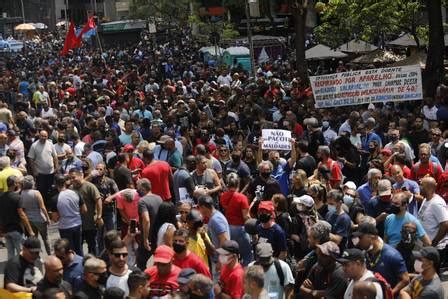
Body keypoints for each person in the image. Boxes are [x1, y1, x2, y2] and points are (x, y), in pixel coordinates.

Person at [352, 222, 409, 295]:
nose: (358, 241)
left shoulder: (392, 255)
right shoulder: (364, 254)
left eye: (360, 237)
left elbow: (405, 279)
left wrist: (390, 294)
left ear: (372, 237)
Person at [220, 172, 253, 266]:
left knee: (231, 255)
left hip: (228, 229)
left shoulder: (223, 196)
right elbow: (246, 217)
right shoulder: (242, 198)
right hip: (240, 229)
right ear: (238, 183)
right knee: (247, 256)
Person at [69, 167, 103, 255]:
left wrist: (99, 216)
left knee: (92, 245)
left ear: (81, 176)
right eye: (70, 178)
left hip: (90, 223)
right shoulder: (71, 189)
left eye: (73, 177)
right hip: (76, 224)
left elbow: (98, 200)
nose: (72, 180)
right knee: (77, 246)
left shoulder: (89, 187)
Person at [52, 174, 86, 256]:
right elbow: (84, 210)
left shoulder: (55, 199)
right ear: (65, 183)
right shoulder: (76, 193)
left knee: (69, 251)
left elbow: (55, 219)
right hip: (77, 224)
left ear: (56, 184)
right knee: (79, 248)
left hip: (65, 227)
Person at [418, 176, 448, 265]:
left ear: (429, 188)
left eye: (421, 185)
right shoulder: (426, 199)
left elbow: (445, 224)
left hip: (435, 248)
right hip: (426, 246)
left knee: (433, 276)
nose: (419, 187)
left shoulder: (436, 203)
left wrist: (433, 243)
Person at [18, 175, 51, 255]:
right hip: (39, 218)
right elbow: (42, 207)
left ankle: (36, 256)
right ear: (32, 183)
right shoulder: (36, 193)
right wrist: (47, 218)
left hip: (29, 219)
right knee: (45, 238)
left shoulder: (21, 194)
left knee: (34, 239)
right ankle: (49, 254)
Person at [0, 175, 31, 259]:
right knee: (21, 252)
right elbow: (22, 215)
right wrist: (30, 231)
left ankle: (11, 270)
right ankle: (21, 270)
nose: (18, 184)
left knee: (10, 253)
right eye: (17, 182)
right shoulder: (17, 198)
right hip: (16, 230)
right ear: (14, 184)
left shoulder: (1, 197)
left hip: (6, 230)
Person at [136, 178, 163, 270]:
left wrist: (145, 238)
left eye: (138, 188)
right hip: (159, 235)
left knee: (140, 262)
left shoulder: (142, 201)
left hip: (149, 237)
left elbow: (146, 220)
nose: (137, 190)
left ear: (143, 188)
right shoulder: (159, 198)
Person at [27, 129, 58, 204]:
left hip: (51, 172)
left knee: (50, 189)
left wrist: (56, 167)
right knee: (41, 190)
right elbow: (31, 159)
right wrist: (34, 170)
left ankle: (49, 204)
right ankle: (42, 204)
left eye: (45, 136)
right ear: (39, 136)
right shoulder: (34, 145)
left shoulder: (50, 144)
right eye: (42, 136)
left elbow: (55, 156)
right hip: (40, 173)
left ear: (47, 136)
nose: (44, 137)